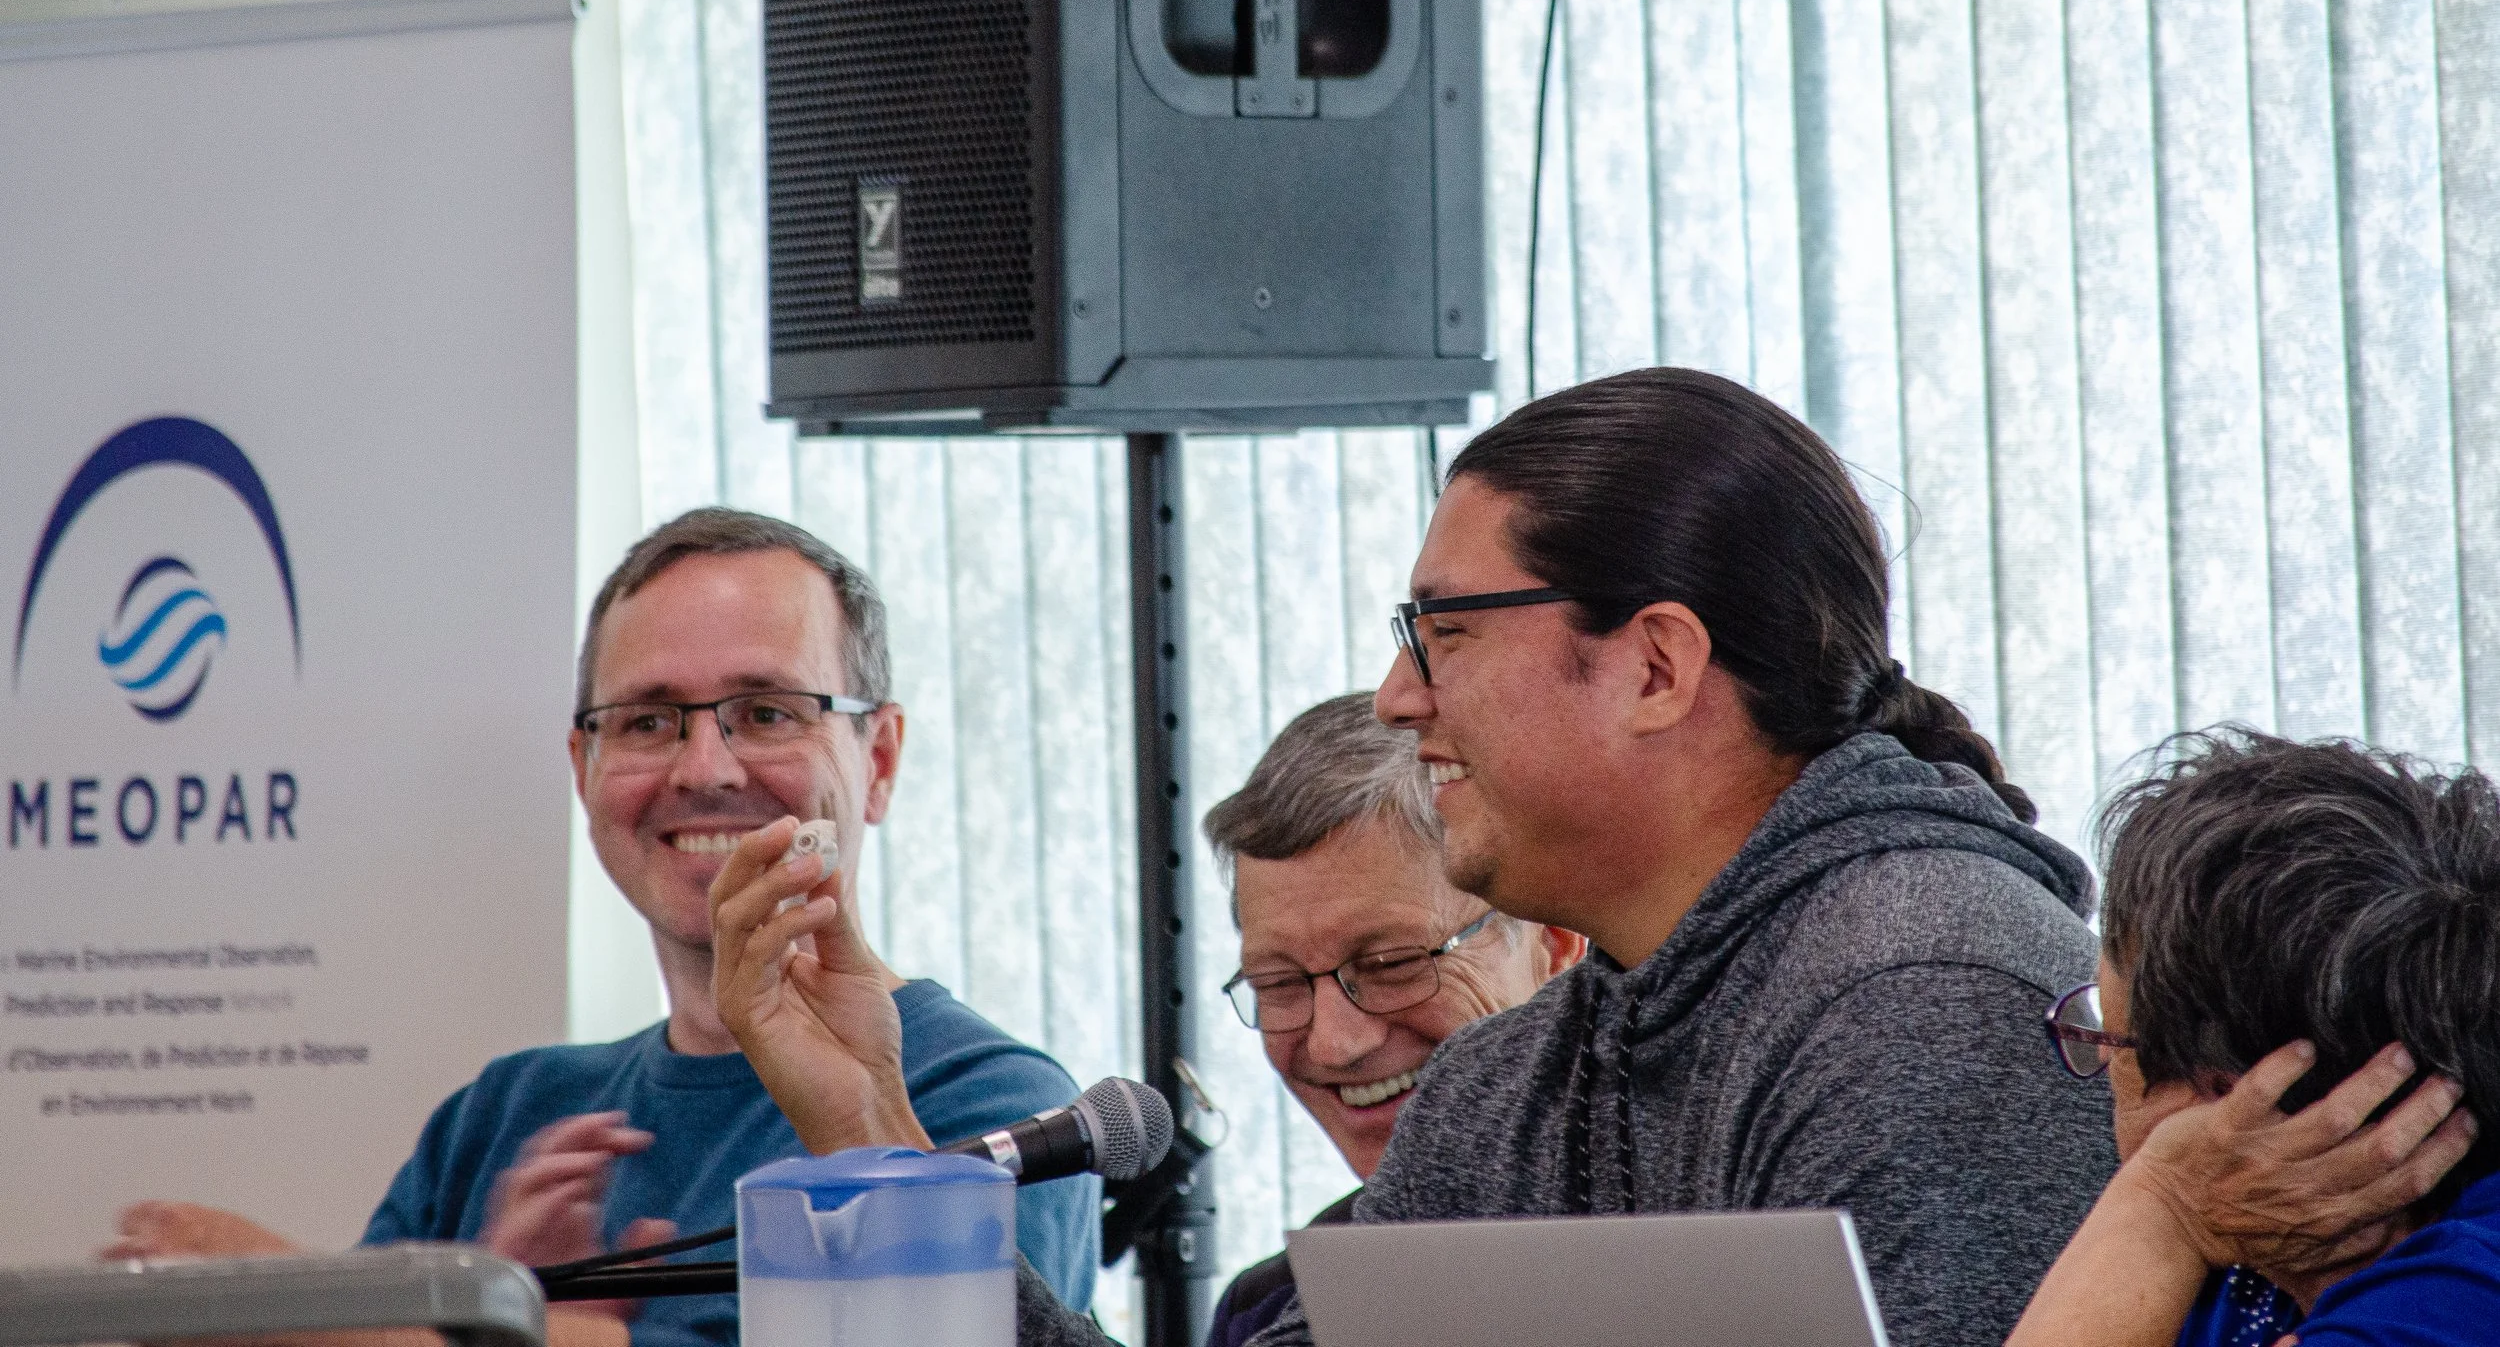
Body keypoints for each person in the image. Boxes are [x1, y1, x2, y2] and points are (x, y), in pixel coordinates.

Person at [710, 368, 2115, 1347]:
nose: (1397, 696)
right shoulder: (1515, 1083)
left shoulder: (1924, 1000)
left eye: (1445, 633)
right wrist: (873, 1128)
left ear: (1656, 666)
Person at [106, 508, 1101, 1347]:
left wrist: (323, 1312)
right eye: (648, 722)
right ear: (583, 771)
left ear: (878, 761)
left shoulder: (987, 1106)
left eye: (765, 712)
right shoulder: (502, 1115)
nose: (704, 769)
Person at [2009, 730, 2494, 1347]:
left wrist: (2167, 1203)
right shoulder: (2255, 1269)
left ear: (2231, 1100)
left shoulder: (2460, 1304)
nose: (2099, 1062)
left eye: (2111, 1036)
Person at [1201, 693, 1584, 1347]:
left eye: (1390, 964)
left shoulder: (1722, 1230)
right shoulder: (1276, 1310)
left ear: (1555, 942)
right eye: (1278, 983)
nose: (1336, 1043)